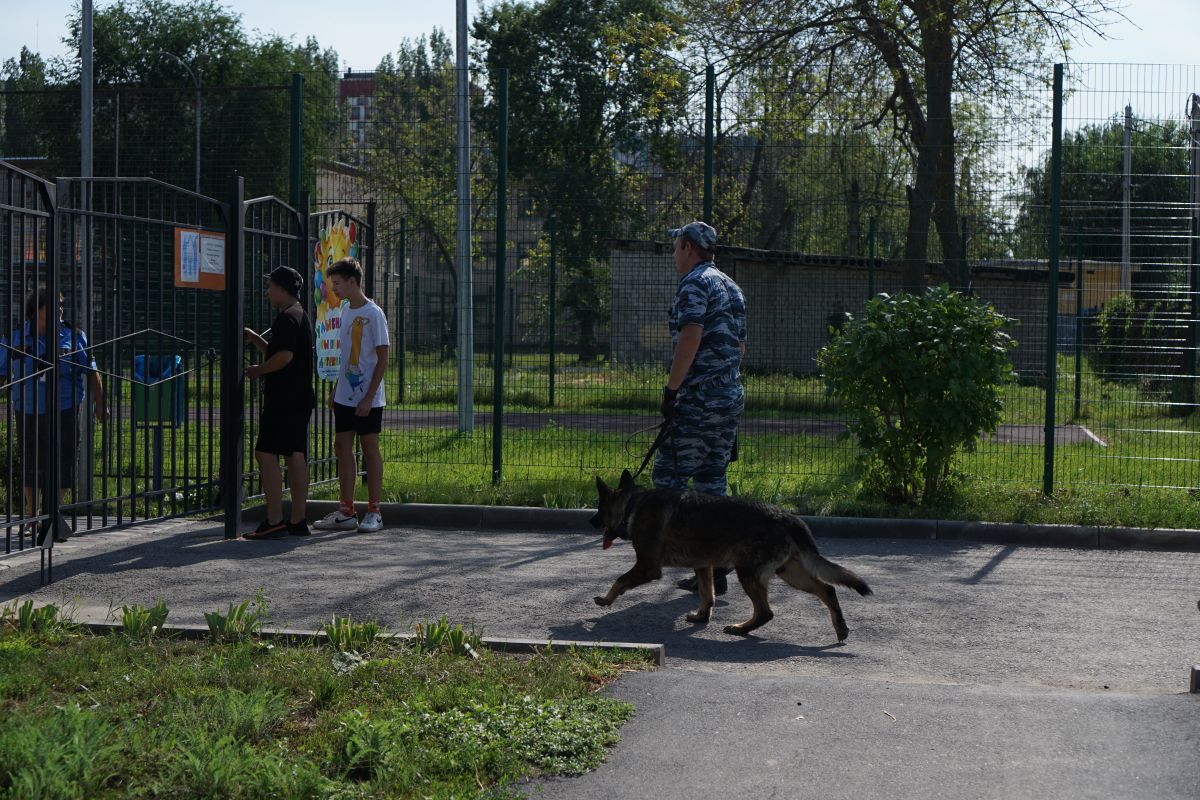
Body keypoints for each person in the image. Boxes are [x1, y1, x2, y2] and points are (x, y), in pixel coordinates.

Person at [656, 221, 747, 596]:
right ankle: (716, 569)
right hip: (728, 398)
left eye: (676, 245)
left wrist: (672, 391)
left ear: (689, 247)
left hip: (697, 400)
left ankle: (668, 556)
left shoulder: (694, 283)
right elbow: (740, 348)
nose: (674, 253)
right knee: (712, 485)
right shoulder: (732, 286)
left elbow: (690, 336)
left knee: (668, 480)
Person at [0, 288, 105, 545]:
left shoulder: (74, 335)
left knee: (64, 460)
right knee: (31, 462)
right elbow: (2, 372)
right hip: (28, 407)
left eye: (61, 306)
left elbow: (92, 372)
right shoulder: (14, 337)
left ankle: (53, 515)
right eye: (54, 306)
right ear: (36, 310)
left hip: (65, 408)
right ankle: (32, 517)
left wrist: (100, 404)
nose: (60, 310)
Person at [313, 257, 390, 533]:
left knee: (369, 449)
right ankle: (346, 511)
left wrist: (369, 397)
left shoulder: (374, 314)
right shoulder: (345, 310)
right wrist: (337, 388)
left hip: (368, 397)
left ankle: (374, 511)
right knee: (341, 446)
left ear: (352, 282)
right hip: (345, 395)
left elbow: (383, 358)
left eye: (337, 284)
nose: (334, 289)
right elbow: (347, 357)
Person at [242, 266, 315, 540]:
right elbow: (282, 352)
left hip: (283, 399)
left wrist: (257, 370)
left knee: (265, 453)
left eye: (270, 286)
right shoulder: (300, 315)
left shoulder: (285, 319)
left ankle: (273, 519)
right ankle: (298, 520)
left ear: (282, 289)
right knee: (295, 455)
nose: (267, 291)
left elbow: (284, 358)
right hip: (299, 397)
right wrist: (258, 341)